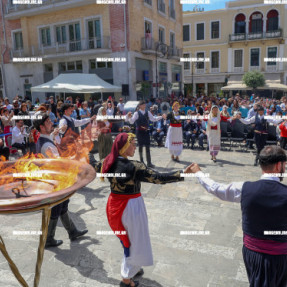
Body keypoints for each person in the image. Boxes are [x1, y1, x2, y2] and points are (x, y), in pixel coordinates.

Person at [94, 133, 193, 287]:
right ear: (125, 147)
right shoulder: (135, 166)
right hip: (131, 207)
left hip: (114, 205)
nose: (135, 146)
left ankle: (134, 267)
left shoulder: (107, 161)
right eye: (132, 143)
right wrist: (182, 174)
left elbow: (91, 166)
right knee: (135, 241)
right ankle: (126, 279)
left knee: (128, 239)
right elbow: (158, 177)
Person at [189, 145, 287, 287]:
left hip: (252, 253)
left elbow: (215, 188)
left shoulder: (244, 188)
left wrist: (198, 172)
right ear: (278, 165)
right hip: (280, 256)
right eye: (284, 165)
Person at [33, 112, 88, 247]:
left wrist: (54, 134)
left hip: (53, 179)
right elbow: (59, 162)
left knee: (63, 204)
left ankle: (72, 231)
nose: (52, 122)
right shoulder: (47, 146)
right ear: (41, 126)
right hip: (54, 181)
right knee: (56, 208)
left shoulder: (43, 138)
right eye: (48, 122)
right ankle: (48, 238)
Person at [126, 101, 162, 168]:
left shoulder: (147, 112)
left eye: (144, 104)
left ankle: (149, 163)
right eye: (143, 105)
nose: (144, 106)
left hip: (146, 131)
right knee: (140, 147)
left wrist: (161, 117)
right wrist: (129, 117)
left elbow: (153, 119)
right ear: (139, 106)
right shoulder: (136, 113)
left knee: (148, 147)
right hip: (139, 132)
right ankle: (141, 163)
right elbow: (131, 122)